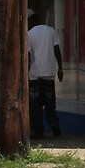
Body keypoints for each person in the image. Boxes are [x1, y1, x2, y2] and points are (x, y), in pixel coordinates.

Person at [25, 11, 63, 142]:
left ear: (30, 20)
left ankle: (38, 131)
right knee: (50, 104)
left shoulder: (29, 34)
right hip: (49, 75)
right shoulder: (50, 31)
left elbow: (29, 56)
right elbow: (57, 50)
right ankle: (55, 128)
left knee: (35, 107)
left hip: (35, 76)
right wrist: (60, 68)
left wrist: (25, 72)